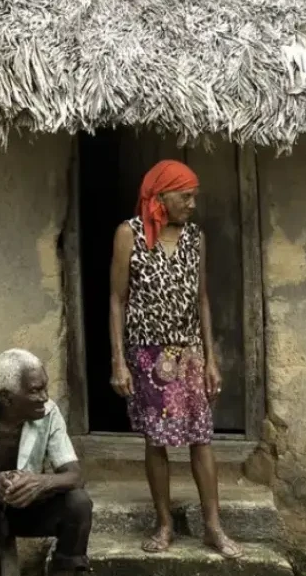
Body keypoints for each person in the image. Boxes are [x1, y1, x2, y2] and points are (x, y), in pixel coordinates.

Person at [108, 159, 244, 559]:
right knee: (156, 441)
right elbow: (117, 300)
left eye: (194, 195)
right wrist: (118, 360)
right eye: (186, 195)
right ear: (161, 194)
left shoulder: (194, 237)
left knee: (202, 438)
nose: (192, 203)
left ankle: (213, 528)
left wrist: (210, 358)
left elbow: (202, 298)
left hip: (188, 353)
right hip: (147, 354)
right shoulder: (127, 235)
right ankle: (164, 523)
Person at [0, 348, 93, 575]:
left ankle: (66, 571)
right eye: (35, 391)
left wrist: (42, 482)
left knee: (78, 502)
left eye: (45, 388)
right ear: (7, 397)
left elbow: (75, 475)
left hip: (23, 511)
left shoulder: (49, 413)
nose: (44, 397)